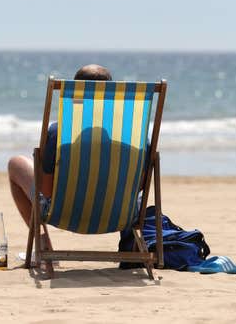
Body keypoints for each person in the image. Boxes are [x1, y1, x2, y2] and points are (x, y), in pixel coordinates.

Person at [9, 65, 148, 267]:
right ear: (112, 96)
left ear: (75, 93)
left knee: (16, 164)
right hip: (122, 214)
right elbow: (140, 186)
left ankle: (43, 246)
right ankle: (135, 251)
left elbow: (46, 191)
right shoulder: (136, 138)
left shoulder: (58, 134)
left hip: (63, 213)